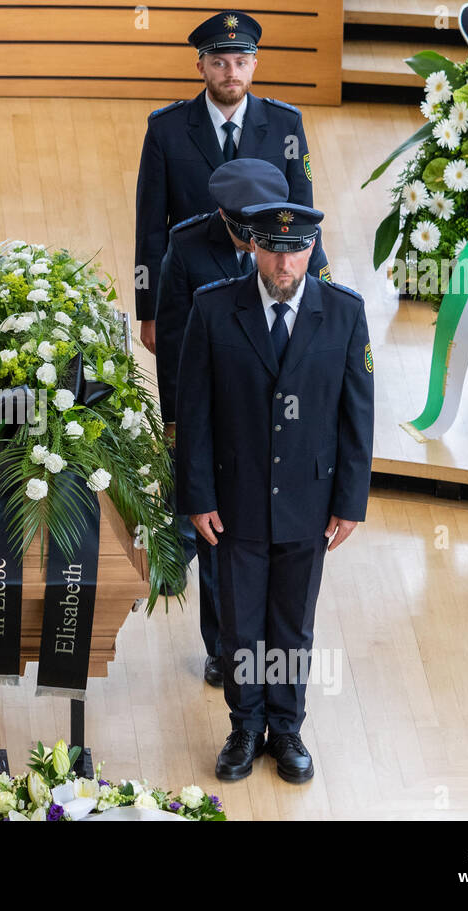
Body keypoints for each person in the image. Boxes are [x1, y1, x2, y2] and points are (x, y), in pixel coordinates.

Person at [175, 202, 373, 785]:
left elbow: (356, 416)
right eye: (273, 249)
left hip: (308, 505)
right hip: (234, 502)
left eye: (296, 250)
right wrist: (197, 496)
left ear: (311, 250)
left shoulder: (344, 314)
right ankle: (245, 725)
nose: (284, 262)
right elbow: (194, 413)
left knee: (292, 623)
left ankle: (286, 728)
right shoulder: (212, 309)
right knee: (240, 624)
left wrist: (350, 502)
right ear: (252, 248)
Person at [157, 158, 331, 688]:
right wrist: (176, 422)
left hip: (282, 424)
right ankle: (221, 648)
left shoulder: (300, 243)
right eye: (240, 228)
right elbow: (171, 340)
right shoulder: (187, 245)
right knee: (220, 543)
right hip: (220, 414)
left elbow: (319, 332)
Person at [134, 10, 314, 356]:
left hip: (266, 279)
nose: (232, 73)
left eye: (241, 62)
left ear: (254, 66)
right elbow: (150, 227)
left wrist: (309, 295)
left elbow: (301, 215)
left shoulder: (285, 124)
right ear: (200, 67)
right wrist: (150, 311)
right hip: (190, 283)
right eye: (219, 63)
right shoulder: (165, 130)